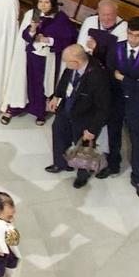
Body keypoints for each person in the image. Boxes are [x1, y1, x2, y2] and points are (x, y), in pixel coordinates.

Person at [44, 44, 113, 185]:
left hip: (85, 116)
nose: (66, 65)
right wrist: (56, 96)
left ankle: (82, 175)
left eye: (67, 63)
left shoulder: (98, 76)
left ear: (76, 62)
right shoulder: (73, 66)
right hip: (67, 108)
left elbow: (103, 107)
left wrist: (93, 129)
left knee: (83, 147)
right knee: (58, 131)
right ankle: (61, 163)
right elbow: (65, 79)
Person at [5, 0, 76, 127]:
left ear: (53, 3)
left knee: (43, 85)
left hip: (48, 59)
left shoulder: (61, 18)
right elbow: (25, 36)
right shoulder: (32, 14)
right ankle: (18, 106)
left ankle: (40, 112)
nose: (43, 5)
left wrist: (48, 40)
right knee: (25, 82)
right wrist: (32, 30)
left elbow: (68, 38)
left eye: (46, 2)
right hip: (31, 56)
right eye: (40, 2)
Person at [106, 17, 139, 185]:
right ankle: (113, 165)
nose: (133, 39)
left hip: (138, 102)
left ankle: (137, 177)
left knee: (138, 140)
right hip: (117, 99)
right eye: (130, 34)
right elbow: (109, 73)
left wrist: (123, 78)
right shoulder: (116, 47)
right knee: (113, 134)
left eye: (137, 36)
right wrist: (136, 81)